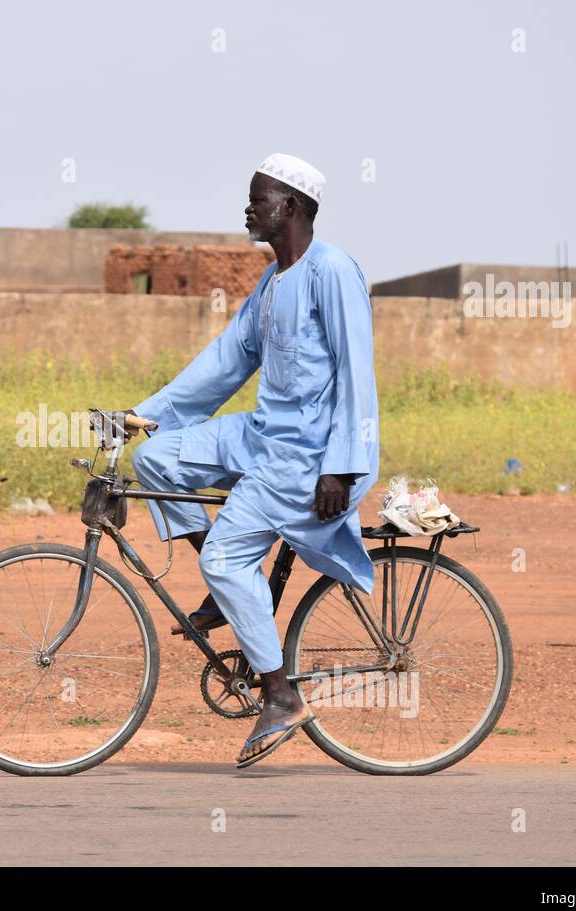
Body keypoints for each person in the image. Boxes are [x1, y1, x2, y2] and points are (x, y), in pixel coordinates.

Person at [119, 153, 380, 767]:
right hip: (262, 436)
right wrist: (147, 414)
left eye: (258, 199)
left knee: (223, 555)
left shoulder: (332, 271)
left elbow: (356, 374)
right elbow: (226, 362)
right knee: (158, 459)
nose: (248, 208)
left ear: (289, 206)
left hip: (307, 457)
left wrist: (341, 466)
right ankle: (231, 590)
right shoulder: (271, 284)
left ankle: (281, 694)